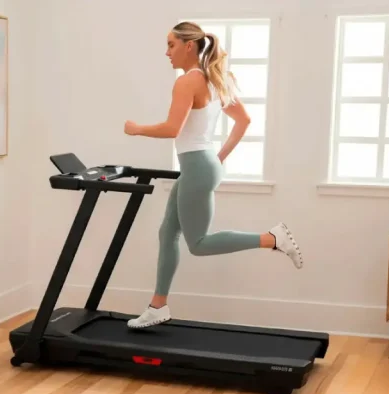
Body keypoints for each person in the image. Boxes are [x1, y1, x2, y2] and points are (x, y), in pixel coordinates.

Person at [122, 21, 303, 329]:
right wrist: (217, 158)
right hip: (203, 164)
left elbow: (172, 129)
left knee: (199, 244)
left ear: (188, 46)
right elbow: (244, 120)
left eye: (171, 45)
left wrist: (137, 129)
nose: (166, 52)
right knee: (168, 233)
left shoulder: (187, 82)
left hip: (197, 166)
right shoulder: (216, 79)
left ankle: (272, 238)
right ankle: (158, 305)